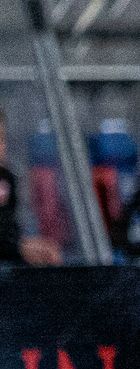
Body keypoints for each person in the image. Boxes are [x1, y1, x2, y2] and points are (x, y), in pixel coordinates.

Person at [0, 109, 62, 267]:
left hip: (9, 255)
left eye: (2, 139)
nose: (1, 147)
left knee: (51, 253)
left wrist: (25, 246)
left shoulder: (8, 177)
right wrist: (21, 249)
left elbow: (10, 228)